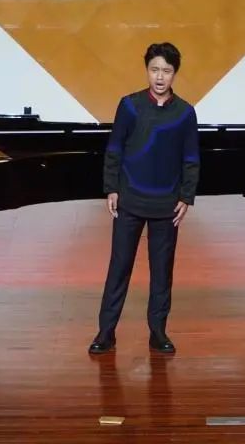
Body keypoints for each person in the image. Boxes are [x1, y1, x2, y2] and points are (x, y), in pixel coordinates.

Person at [89, 42, 200, 355]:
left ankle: (158, 332)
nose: (160, 77)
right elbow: (114, 149)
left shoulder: (185, 113)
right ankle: (106, 332)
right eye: (154, 70)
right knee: (119, 268)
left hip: (167, 205)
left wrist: (186, 197)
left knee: (162, 272)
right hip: (130, 200)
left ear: (175, 74)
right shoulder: (129, 106)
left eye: (166, 71)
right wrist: (111, 188)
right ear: (147, 70)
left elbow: (191, 158)